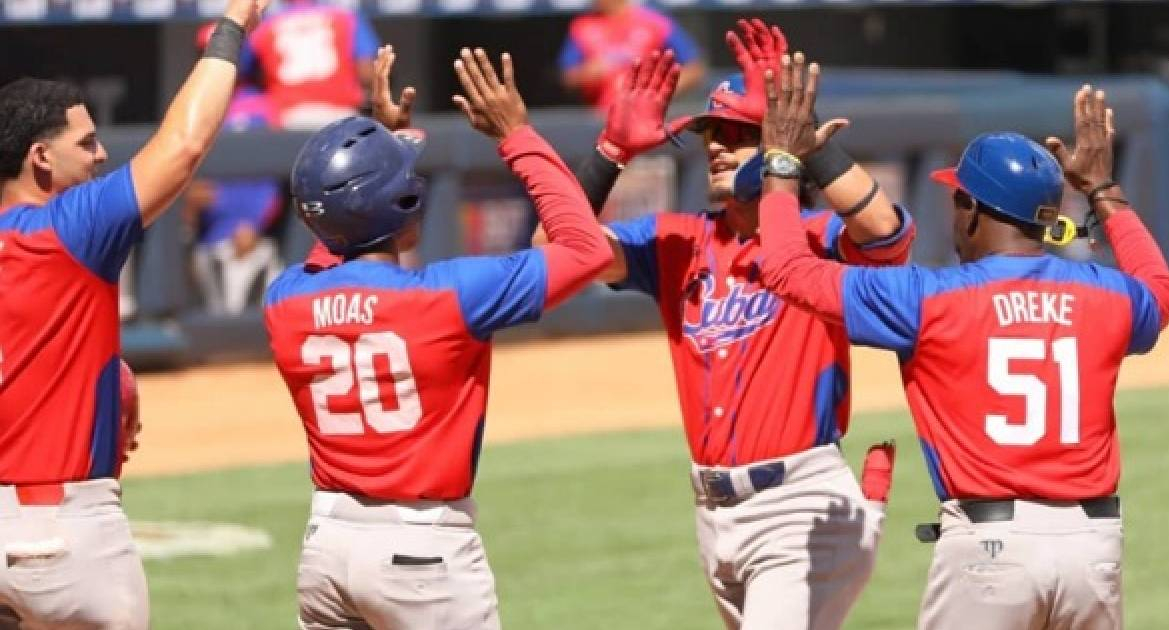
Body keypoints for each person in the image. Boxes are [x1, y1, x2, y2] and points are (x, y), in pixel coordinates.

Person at [754, 55, 1169, 630]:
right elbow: (1161, 291)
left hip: (990, 554)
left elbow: (785, 269)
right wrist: (1104, 189)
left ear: (972, 209)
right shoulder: (1108, 296)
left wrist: (780, 163)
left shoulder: (928, 299)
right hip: (1093, 550)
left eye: (957, 198)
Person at [552, 19, 915, 629]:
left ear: (775, 143)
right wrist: (610, 153)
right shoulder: (677, 241)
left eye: (738, 135)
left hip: (800, 505)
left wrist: (805, 139)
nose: (716, 146)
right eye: (711, 134)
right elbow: (554, 253)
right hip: (712, 513)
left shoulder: (818, 238)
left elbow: (886, 233)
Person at [264, 46, 612, 630]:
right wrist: (517, 133)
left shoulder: (284, 299)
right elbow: (586, 248)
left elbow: (336, 237)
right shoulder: (449, 298)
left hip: (326, 549)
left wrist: (383, 146)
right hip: (422, 552)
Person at [0, 0, 269, 625]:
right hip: (63, 534)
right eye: (86, 143)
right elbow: (184, 146)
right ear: (41, 159)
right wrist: (231, 30)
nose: (100, 156)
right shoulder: (69, 228)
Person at [186, 21, 286, 315]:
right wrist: (189, 205)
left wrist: (252, 224)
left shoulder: (263, 105)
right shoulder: (193, 104)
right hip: (210, 238)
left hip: (259, 237)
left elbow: (273, 179)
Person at [242, 0, 381, 130]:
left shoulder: (266, 24)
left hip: (289, 119)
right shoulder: (346, 17)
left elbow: (241, 72)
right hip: (341, 116)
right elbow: (367, 73)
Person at [559, 0, 704, 115]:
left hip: (646, 117)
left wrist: (660, 92)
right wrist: (587, 73)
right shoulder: (582, 26)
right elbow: (568, 77)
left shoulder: (655, 22)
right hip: (602, 117)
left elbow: (694, 68)